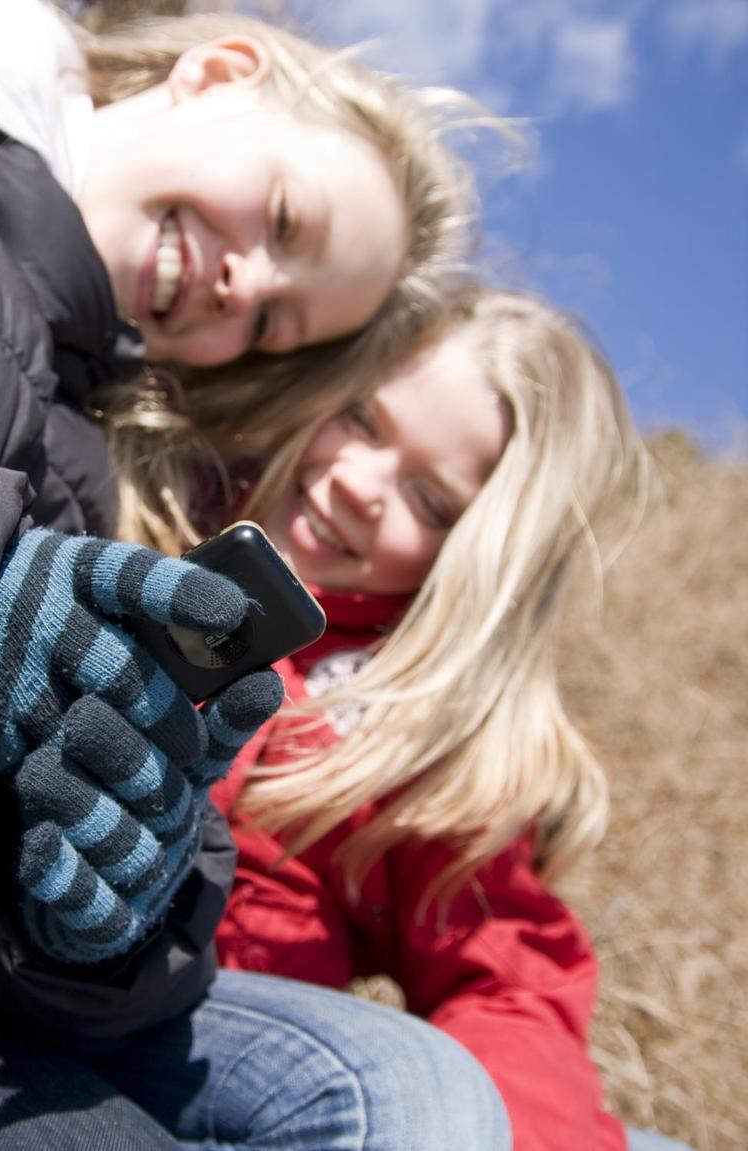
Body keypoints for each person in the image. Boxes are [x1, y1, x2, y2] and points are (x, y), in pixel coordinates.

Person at [0, 0, 497, 1146]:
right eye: (283, 218)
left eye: (277, 324)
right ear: (220, 72)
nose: (244, 288)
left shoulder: (96, 482)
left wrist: (83, 920)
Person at [141, 284, 687, 1151]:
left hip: (239, 1056)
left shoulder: (407, 719)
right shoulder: (150, 502)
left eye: (430, 501)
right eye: (360, 419)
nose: (360, 484)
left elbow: (504, 983)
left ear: (472, 557)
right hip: (81, 998)